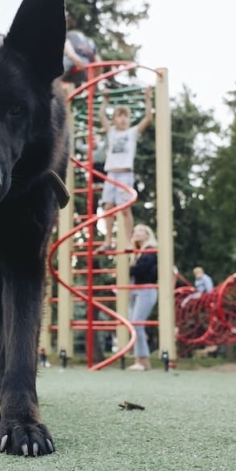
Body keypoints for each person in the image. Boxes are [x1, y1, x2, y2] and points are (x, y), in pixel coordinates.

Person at [98, 86, 154, 252]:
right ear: (114, 119)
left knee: (124, 209)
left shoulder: (131, 133)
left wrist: (148, 98)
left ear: (129, 119)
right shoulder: (112, 132)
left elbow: (148, 118)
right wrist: (105, 100)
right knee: (108, 207)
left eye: (125, 117)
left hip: (125, 174)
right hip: (111, 175)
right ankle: (108, 240)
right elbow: (101, 116)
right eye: (119, 116)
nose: (122, 119)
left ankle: (128, 241)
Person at [127, 224, 159, 371]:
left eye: (141, 231)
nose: (137, 233)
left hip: (146, 289)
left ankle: (143, 361)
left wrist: (132, 267)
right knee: (134, 325)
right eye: (135, 231)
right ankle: (140, 360)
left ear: (148, 234)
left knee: (136, 324)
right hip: (136, 290)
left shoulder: (151, 249)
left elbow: (141, 270)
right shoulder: (137, 252)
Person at [61, 22, 101, 87]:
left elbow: (66, 43)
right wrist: (94, 81)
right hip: (87, 68)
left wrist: (73, 56)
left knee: (53, 74)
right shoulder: (90, 41)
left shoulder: (70, 35)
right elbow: (99, 64)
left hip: (73, 62)